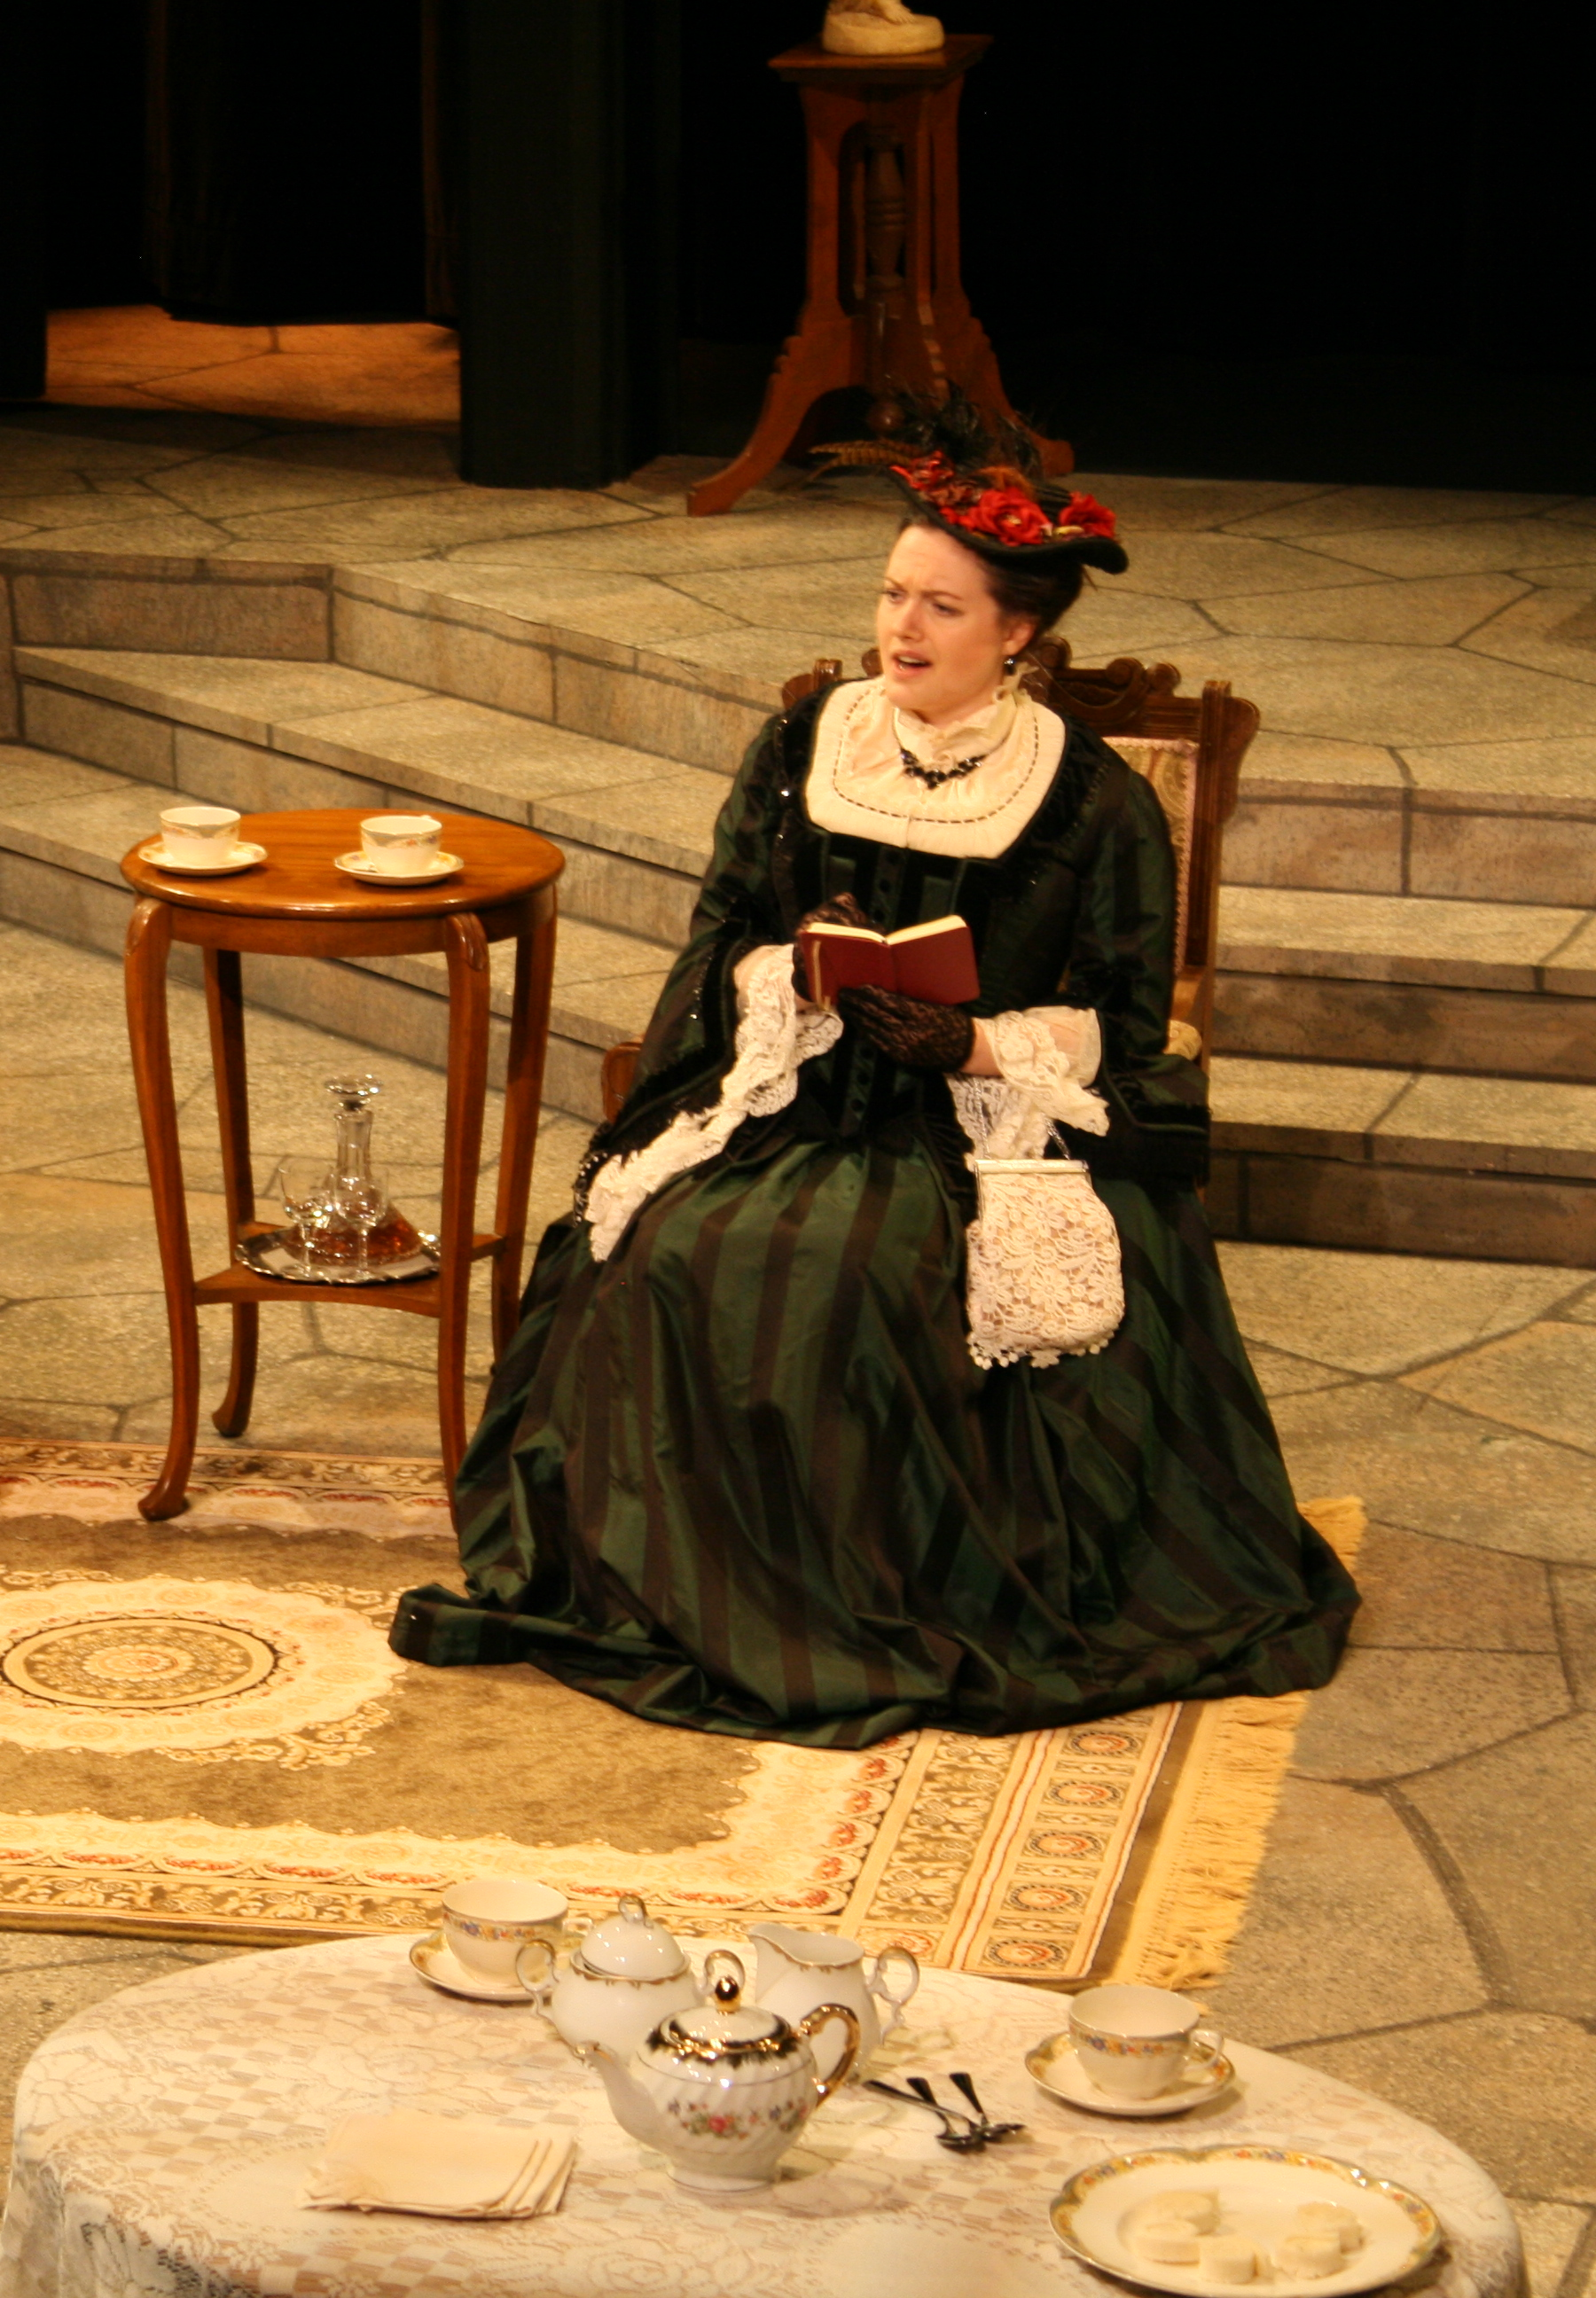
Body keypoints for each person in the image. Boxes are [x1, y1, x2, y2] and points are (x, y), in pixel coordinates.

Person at [391, 436, 1357, 1747]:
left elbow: (1130, 1026)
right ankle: (684, 1582)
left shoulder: (1089, 800)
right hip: (796, 1087)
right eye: (894, 593)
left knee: (854, 1274)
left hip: (971, 1128)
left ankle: (836, 1601)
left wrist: (962, 1046)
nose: (902, 627)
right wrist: (793, 968)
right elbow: (723, 923)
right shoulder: (808, 738)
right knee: (668, 1249)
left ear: (1014, 633)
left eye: (941, 607)